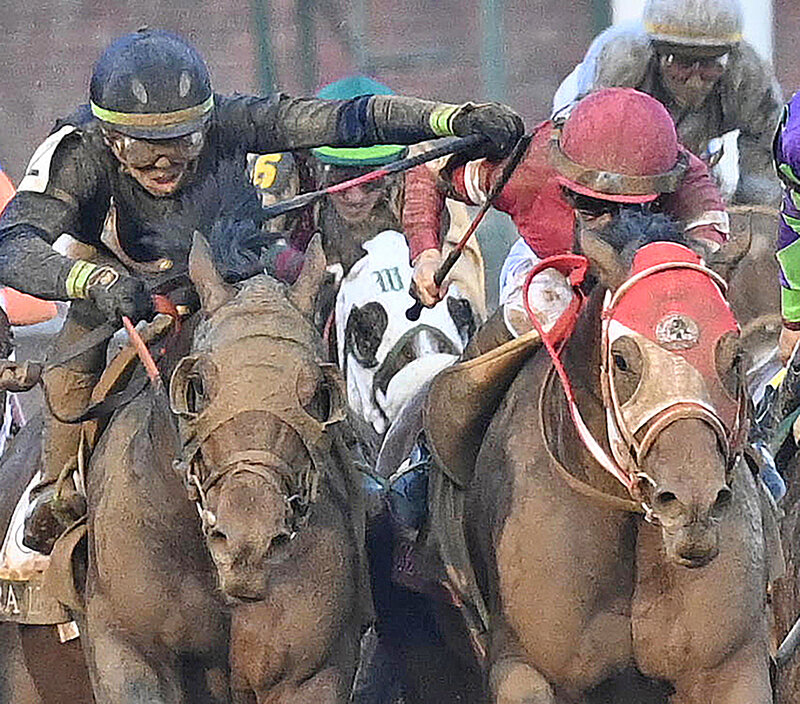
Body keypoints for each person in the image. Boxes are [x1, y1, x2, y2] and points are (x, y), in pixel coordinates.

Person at [0, 29, 524, 554]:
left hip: (229, 271)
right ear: (111, 140)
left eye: (183, 141)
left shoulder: (231, 120)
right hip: (117, 284)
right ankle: (57, 488)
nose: (165, 162)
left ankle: (351, 462)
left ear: (206, 123)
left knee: (295, 332)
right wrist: (93, 281)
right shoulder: (75, 151)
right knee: (74, 358)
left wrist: (452, 120)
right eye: (142, 149)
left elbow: (349, 121)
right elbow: (15, 243)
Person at [405, 87, 728, 355]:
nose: (611, 218)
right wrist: (426, 256)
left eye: (631, 207)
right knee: (537, 314)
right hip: (549, 265)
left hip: (647, 275)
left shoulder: (683, 172)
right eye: (593, 208)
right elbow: (428, 173)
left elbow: (709, 247)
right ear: (564, 181)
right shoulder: (523, 173)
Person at [552, 0, 782, 206]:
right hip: (594, 120)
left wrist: (756, 208)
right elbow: (591, 142)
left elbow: (765, 144)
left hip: (696, 152)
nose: (695, 78)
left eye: (710, 64)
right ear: (657, 53)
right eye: (681, 62)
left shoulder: (748, 75)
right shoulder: (623, 62)